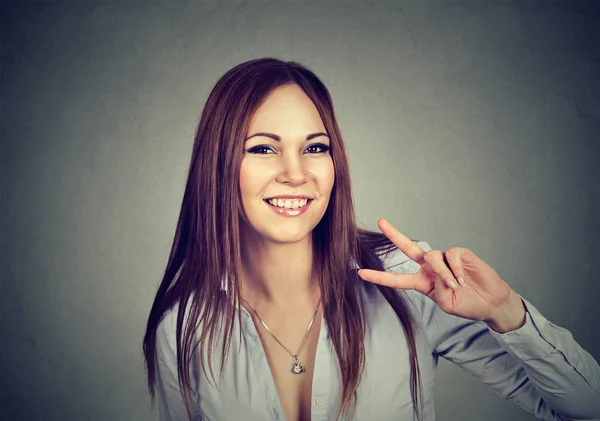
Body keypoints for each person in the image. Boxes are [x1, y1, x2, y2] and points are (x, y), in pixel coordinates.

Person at [142, 58, 600, 421]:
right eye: (263, 148)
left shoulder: (409, 284)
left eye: (315, 147)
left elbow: (584, 409)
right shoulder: (183, 327)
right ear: (218, 165)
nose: (296, 173)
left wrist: (506, 314)